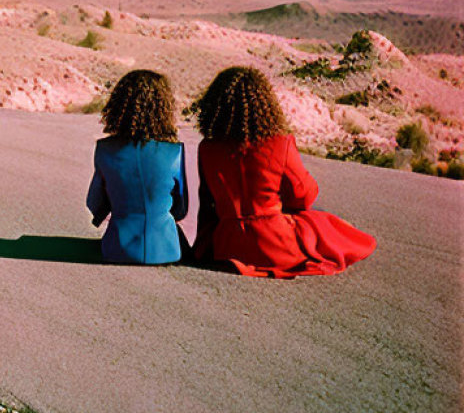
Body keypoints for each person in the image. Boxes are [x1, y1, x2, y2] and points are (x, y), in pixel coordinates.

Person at [192, 66, 375, 278]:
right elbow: (304, 196)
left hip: (227, 244)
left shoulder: (207, 147)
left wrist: (203, 246)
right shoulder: (280, 143)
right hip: (275, 244)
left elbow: (207, 204)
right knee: (325, 225)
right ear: (265, 104)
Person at [86, 70, 188, 264]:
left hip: (117, 248)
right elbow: (180, 209)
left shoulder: (105, 149)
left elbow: (94, 203)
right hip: (167, 250)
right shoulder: (175, 152)